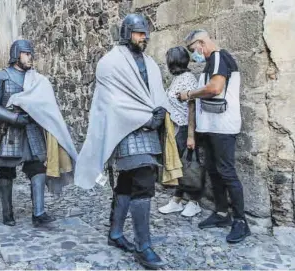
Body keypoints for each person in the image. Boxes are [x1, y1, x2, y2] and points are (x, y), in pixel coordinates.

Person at [74, 14, 174, 270]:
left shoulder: (150, 63)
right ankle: (143, 247)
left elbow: (157, 93)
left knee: (127, 183)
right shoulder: (110, 63)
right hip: (125, 132)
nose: (145, 37)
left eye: (146, 33)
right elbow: (112, 103)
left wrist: (160, 111)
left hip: (150, 132)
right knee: (143, 184)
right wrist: (142, 117)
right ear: (127, 33)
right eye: (140, 33)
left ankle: (116, 233)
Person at [0, 39, 77, 227]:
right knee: (7, 172)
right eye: (26, 54)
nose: (30, 57)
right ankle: (7, 213)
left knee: (38, 169)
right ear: (16, 55)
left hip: (32, 129)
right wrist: (16, 118)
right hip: (9, 132)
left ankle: (39, 213)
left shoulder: (36, 79)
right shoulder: (0, 77)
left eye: (30, 54)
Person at [177, 29, 250, 243]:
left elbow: (215, 88)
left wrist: (189, 94)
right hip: (211, 127)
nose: (194, 55)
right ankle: (221, 214)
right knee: (214, 172)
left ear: (201, 43)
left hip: (222, 127)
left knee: (227, 172)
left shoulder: (218, 57)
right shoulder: (212, 62)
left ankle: (240, 222)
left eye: (193, 50)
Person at [158, 46, 202, 217]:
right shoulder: (178, 78)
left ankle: (194, 201)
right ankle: (176, 200)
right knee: (179, 166)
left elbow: (192, 107)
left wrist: (191, 135)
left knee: (188, 166)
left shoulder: (188, 78)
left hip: (184, 127)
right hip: (175, 127)